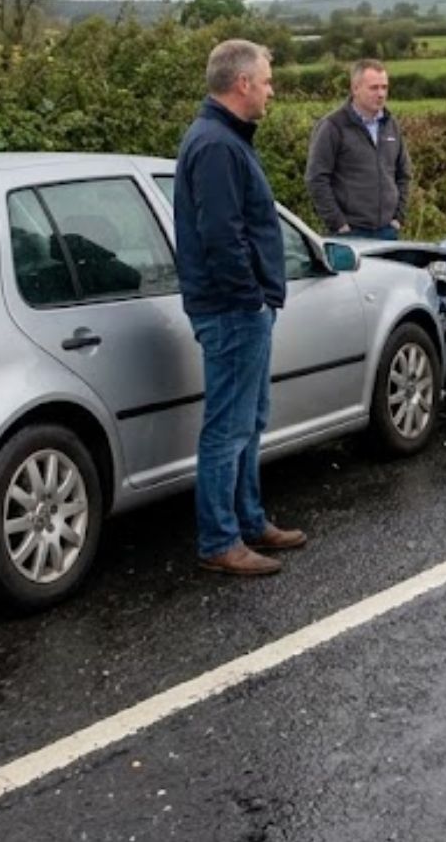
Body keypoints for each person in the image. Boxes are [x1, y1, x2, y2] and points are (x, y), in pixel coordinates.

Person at [174, 39, 308, 577]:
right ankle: (218, 539)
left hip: (242, 307)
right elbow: (221, 235)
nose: (272, 90)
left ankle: (249, 521)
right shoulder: (215, 145)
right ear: (243, 84)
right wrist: (250, 297)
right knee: (227, 426)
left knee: (250, 421)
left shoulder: (226, 140)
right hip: (232, 309)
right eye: (268, 80)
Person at [305, 59, 412, 240]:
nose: (381, 94)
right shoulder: (333, 126)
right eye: (374, 88)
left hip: (388, 230)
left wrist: (398, 217)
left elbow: (404, 173)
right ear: (355, 88)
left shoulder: (391, 124)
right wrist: (338, 223)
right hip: (350, 233)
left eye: (384, 87)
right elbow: (316, 178)